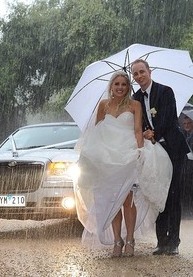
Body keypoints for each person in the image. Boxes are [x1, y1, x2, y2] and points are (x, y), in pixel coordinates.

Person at [74, 71, 172, 257]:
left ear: (128, 87)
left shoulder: (135, 105)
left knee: (127, 199)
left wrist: (140, 151)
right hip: (107, 159)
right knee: (112, 200)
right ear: (111, 86)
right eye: (117, 84)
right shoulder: (103, 105)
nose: (120, 87)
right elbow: (98, 132)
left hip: (126, 155)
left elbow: (137, 130)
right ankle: (117, 241)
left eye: (124, 84)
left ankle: (129, 241)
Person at [132, 59, 189, 255]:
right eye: (136, 74)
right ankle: (161, 241)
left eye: (142, 72)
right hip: (154, 153)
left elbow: (169, 118)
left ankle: (173, 242)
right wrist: (146, 132)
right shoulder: (135, 97)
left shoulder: (165, 91)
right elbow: (136, 123)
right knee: (158, 194)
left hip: (173, 149)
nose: (140, 76)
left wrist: (153, 132)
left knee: (173, 194)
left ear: (150, 71)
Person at [180, 116, 193, 217]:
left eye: (188, 123)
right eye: (184, 124)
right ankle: (185, 209)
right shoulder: (182, 134)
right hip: (184, 164)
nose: (186, 125)